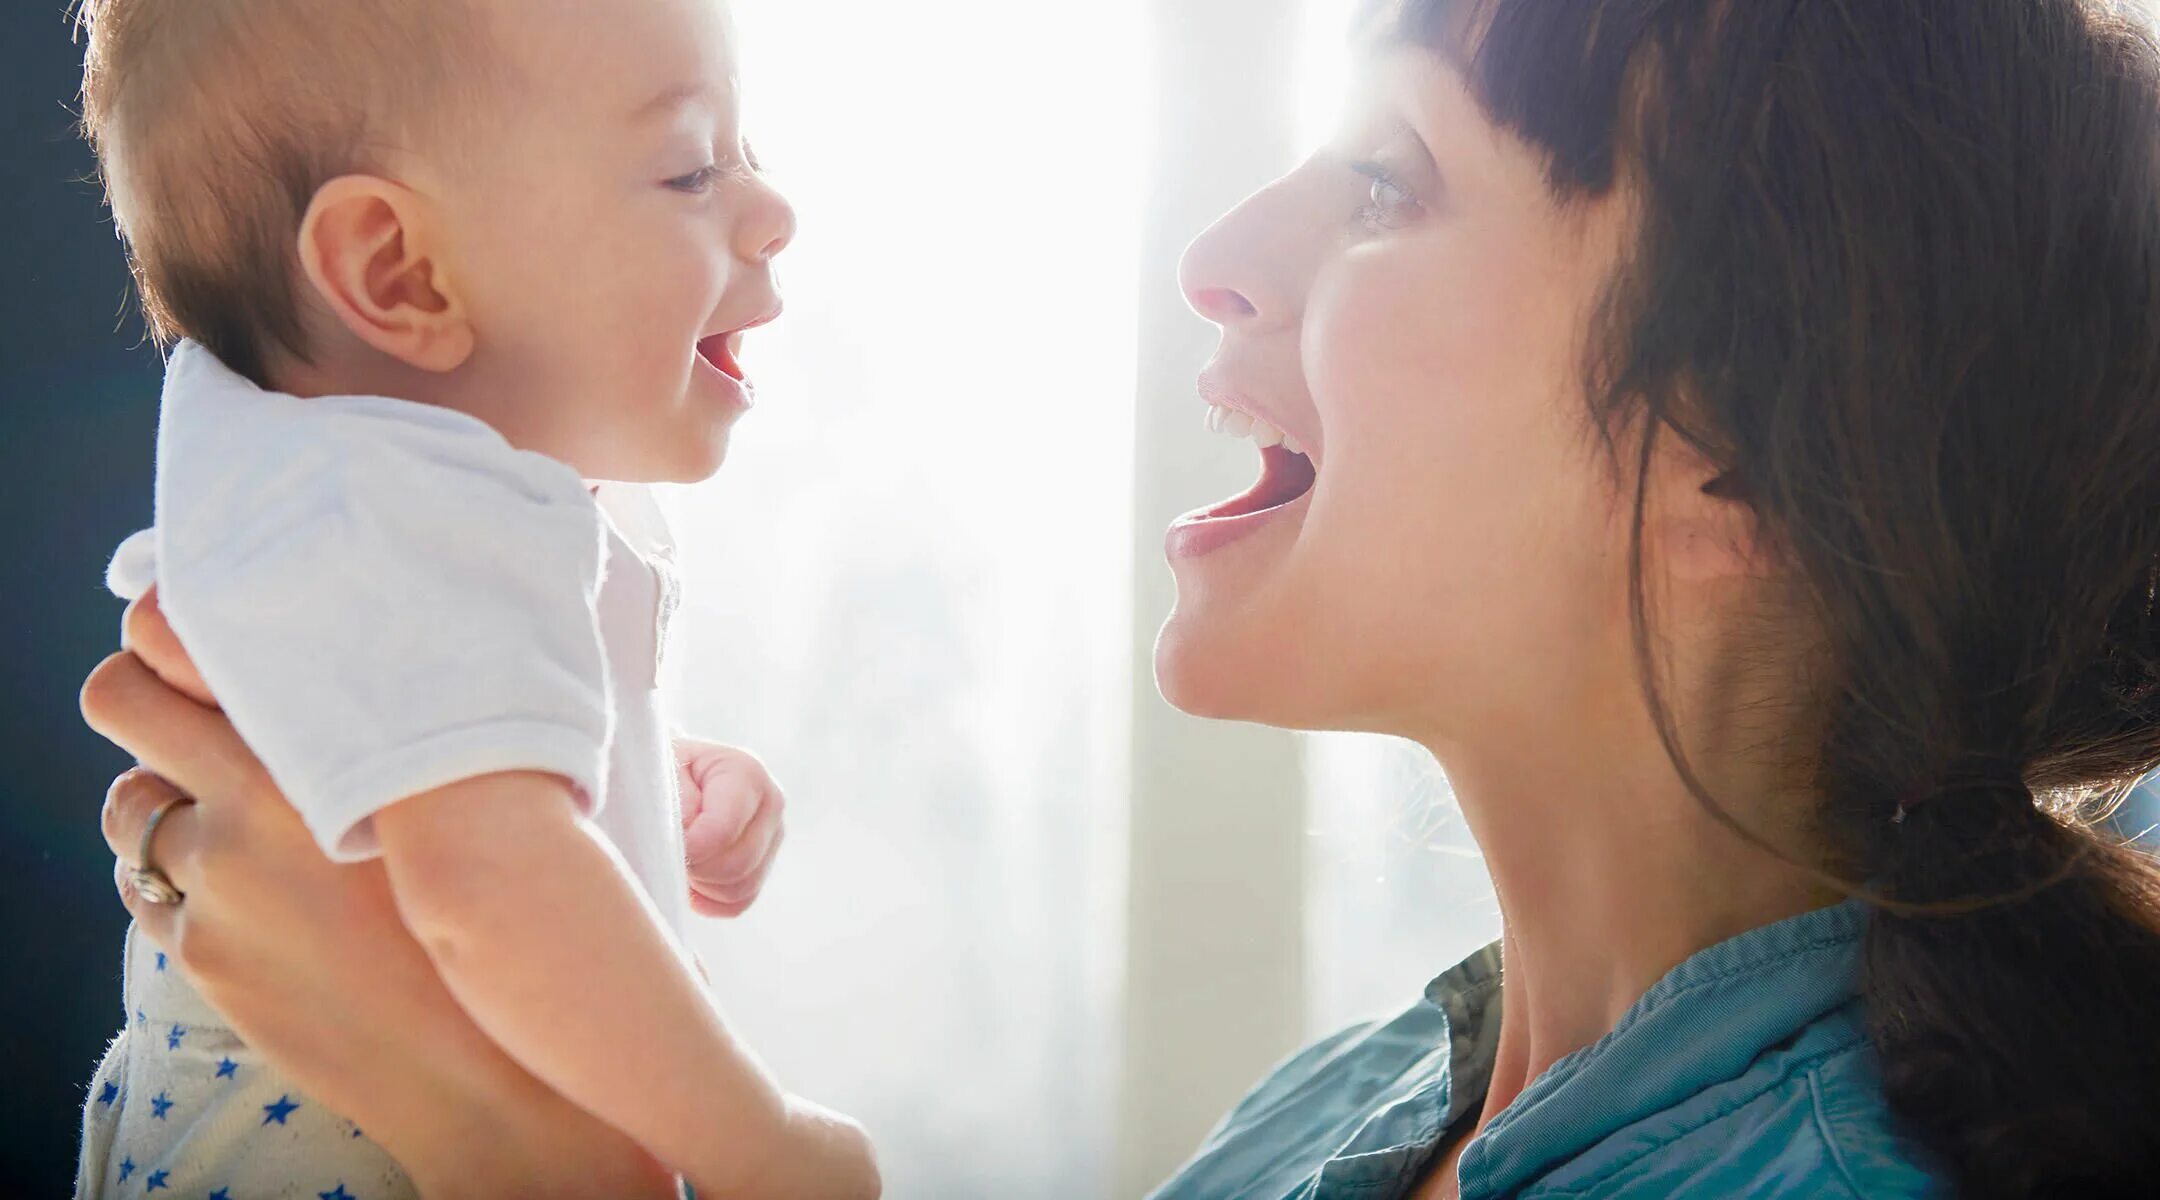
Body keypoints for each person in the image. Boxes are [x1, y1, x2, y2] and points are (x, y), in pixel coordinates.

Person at [84, 0, 2160, 1195]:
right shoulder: (1325, 1125)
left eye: (1385, 188)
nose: (1222, 252)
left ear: (1756, 458)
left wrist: (507, 1135)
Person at [69, 0, 872, 1196]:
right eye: (691, 168)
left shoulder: (378, 508)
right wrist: (769, 1149)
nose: (774, 210)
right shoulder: (380, 510)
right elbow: (483, 886)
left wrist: (634, 765)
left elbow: (433, 778)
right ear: (398, 273)